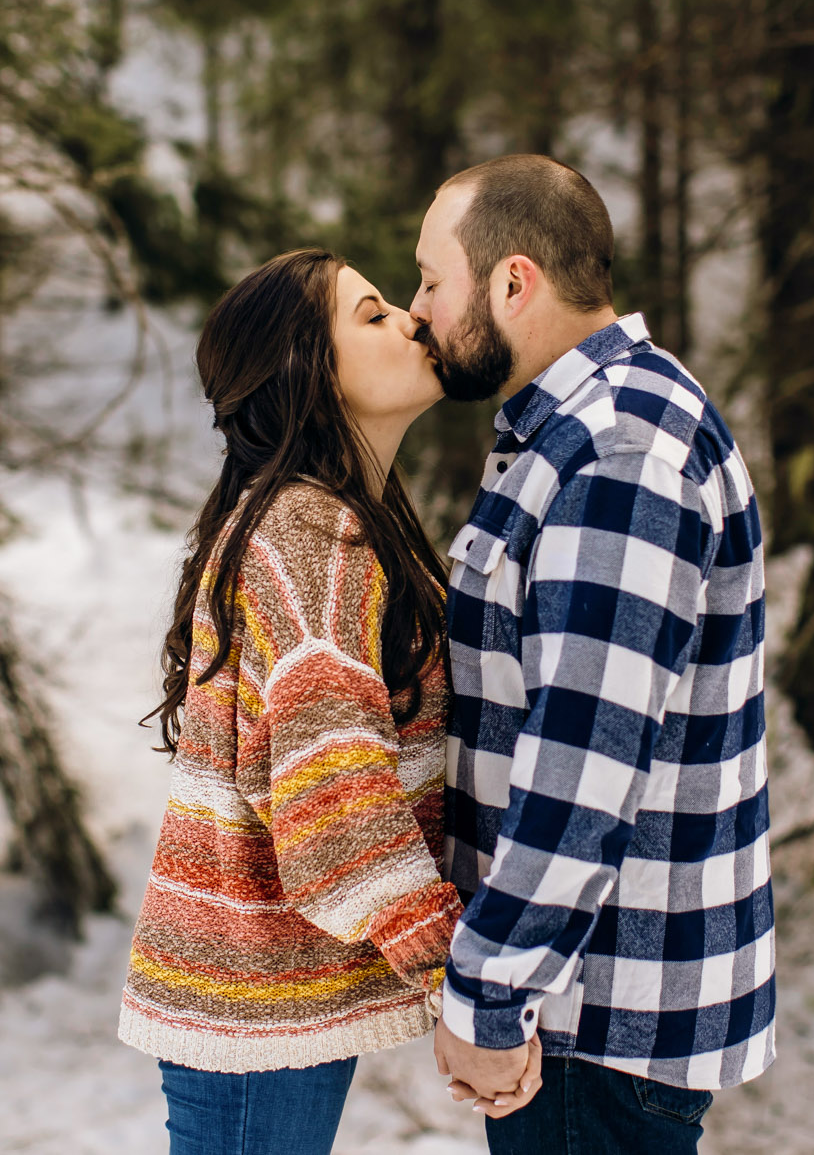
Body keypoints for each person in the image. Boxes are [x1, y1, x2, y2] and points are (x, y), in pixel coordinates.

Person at [117, 248, 541, 1155]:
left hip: (262, 992)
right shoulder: (310, 538)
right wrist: (462, 982)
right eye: (374, 315)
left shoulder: (338, 520)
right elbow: (336, 819)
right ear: (310, 371)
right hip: (246, 999)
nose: (412, 322)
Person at [410, 156, 776, 1154]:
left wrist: (489, 994)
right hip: (590, 1005)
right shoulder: (581, 432)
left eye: (431, 281)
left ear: (511, 282)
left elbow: (583, 765)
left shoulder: (615, 455)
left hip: (592, 1020)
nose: (416, 311)